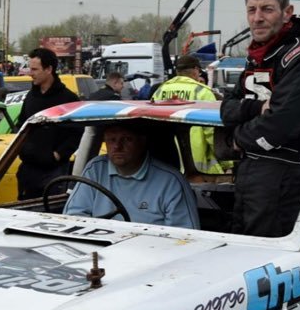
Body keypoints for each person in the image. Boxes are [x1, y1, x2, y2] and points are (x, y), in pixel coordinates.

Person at [220, 0, 300, 237]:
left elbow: (278, 126)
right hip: (247, 170)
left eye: (267, 9)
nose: (258, 18)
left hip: (281, 172)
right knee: (238, 248)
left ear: (287, 12)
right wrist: (256, 108)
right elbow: (226, 108)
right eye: (252, 10)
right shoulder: (259, 54)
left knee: (260, 258)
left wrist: (236, 139)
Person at [64, 124, 200, 229]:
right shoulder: (95, 168)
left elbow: (185, 235)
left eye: (127, 139)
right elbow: (73, 217)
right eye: (112, 140)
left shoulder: (171, 181)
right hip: (99, 250)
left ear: (142, 142)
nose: (117, 146)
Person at [16, 48, 83, 200]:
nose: (30, 73)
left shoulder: (68, 99)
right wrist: (22, 148)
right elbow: (21, 125)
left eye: (35, 69)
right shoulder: (30, 97)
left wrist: (59, 154)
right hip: (28, 170)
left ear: (48, 69)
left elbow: (78, 132)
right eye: (30, 68)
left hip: (54, 172)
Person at [152, 55, 224, 174]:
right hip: (196, 165)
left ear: (177, 71)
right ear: (196, 70)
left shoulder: (160, 91)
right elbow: (213, 132)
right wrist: (227, 162)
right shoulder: (203, 92)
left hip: (166, 162)